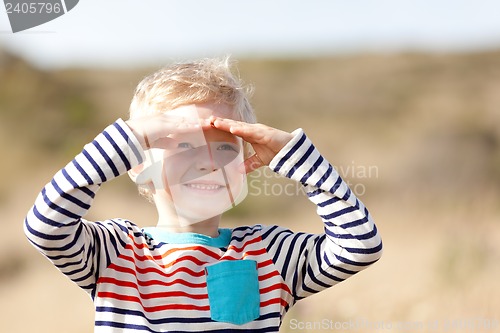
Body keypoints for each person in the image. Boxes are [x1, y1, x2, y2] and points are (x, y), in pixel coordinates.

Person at [24, 57, 382, 332]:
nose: (207, 162)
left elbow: (360, 247)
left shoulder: (269, 255)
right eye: (183, 145)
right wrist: (125, 140)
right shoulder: (114, 252)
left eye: (225, 148)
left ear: (246, 160)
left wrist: (297, 158)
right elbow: (45, 228)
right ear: (135, 163)